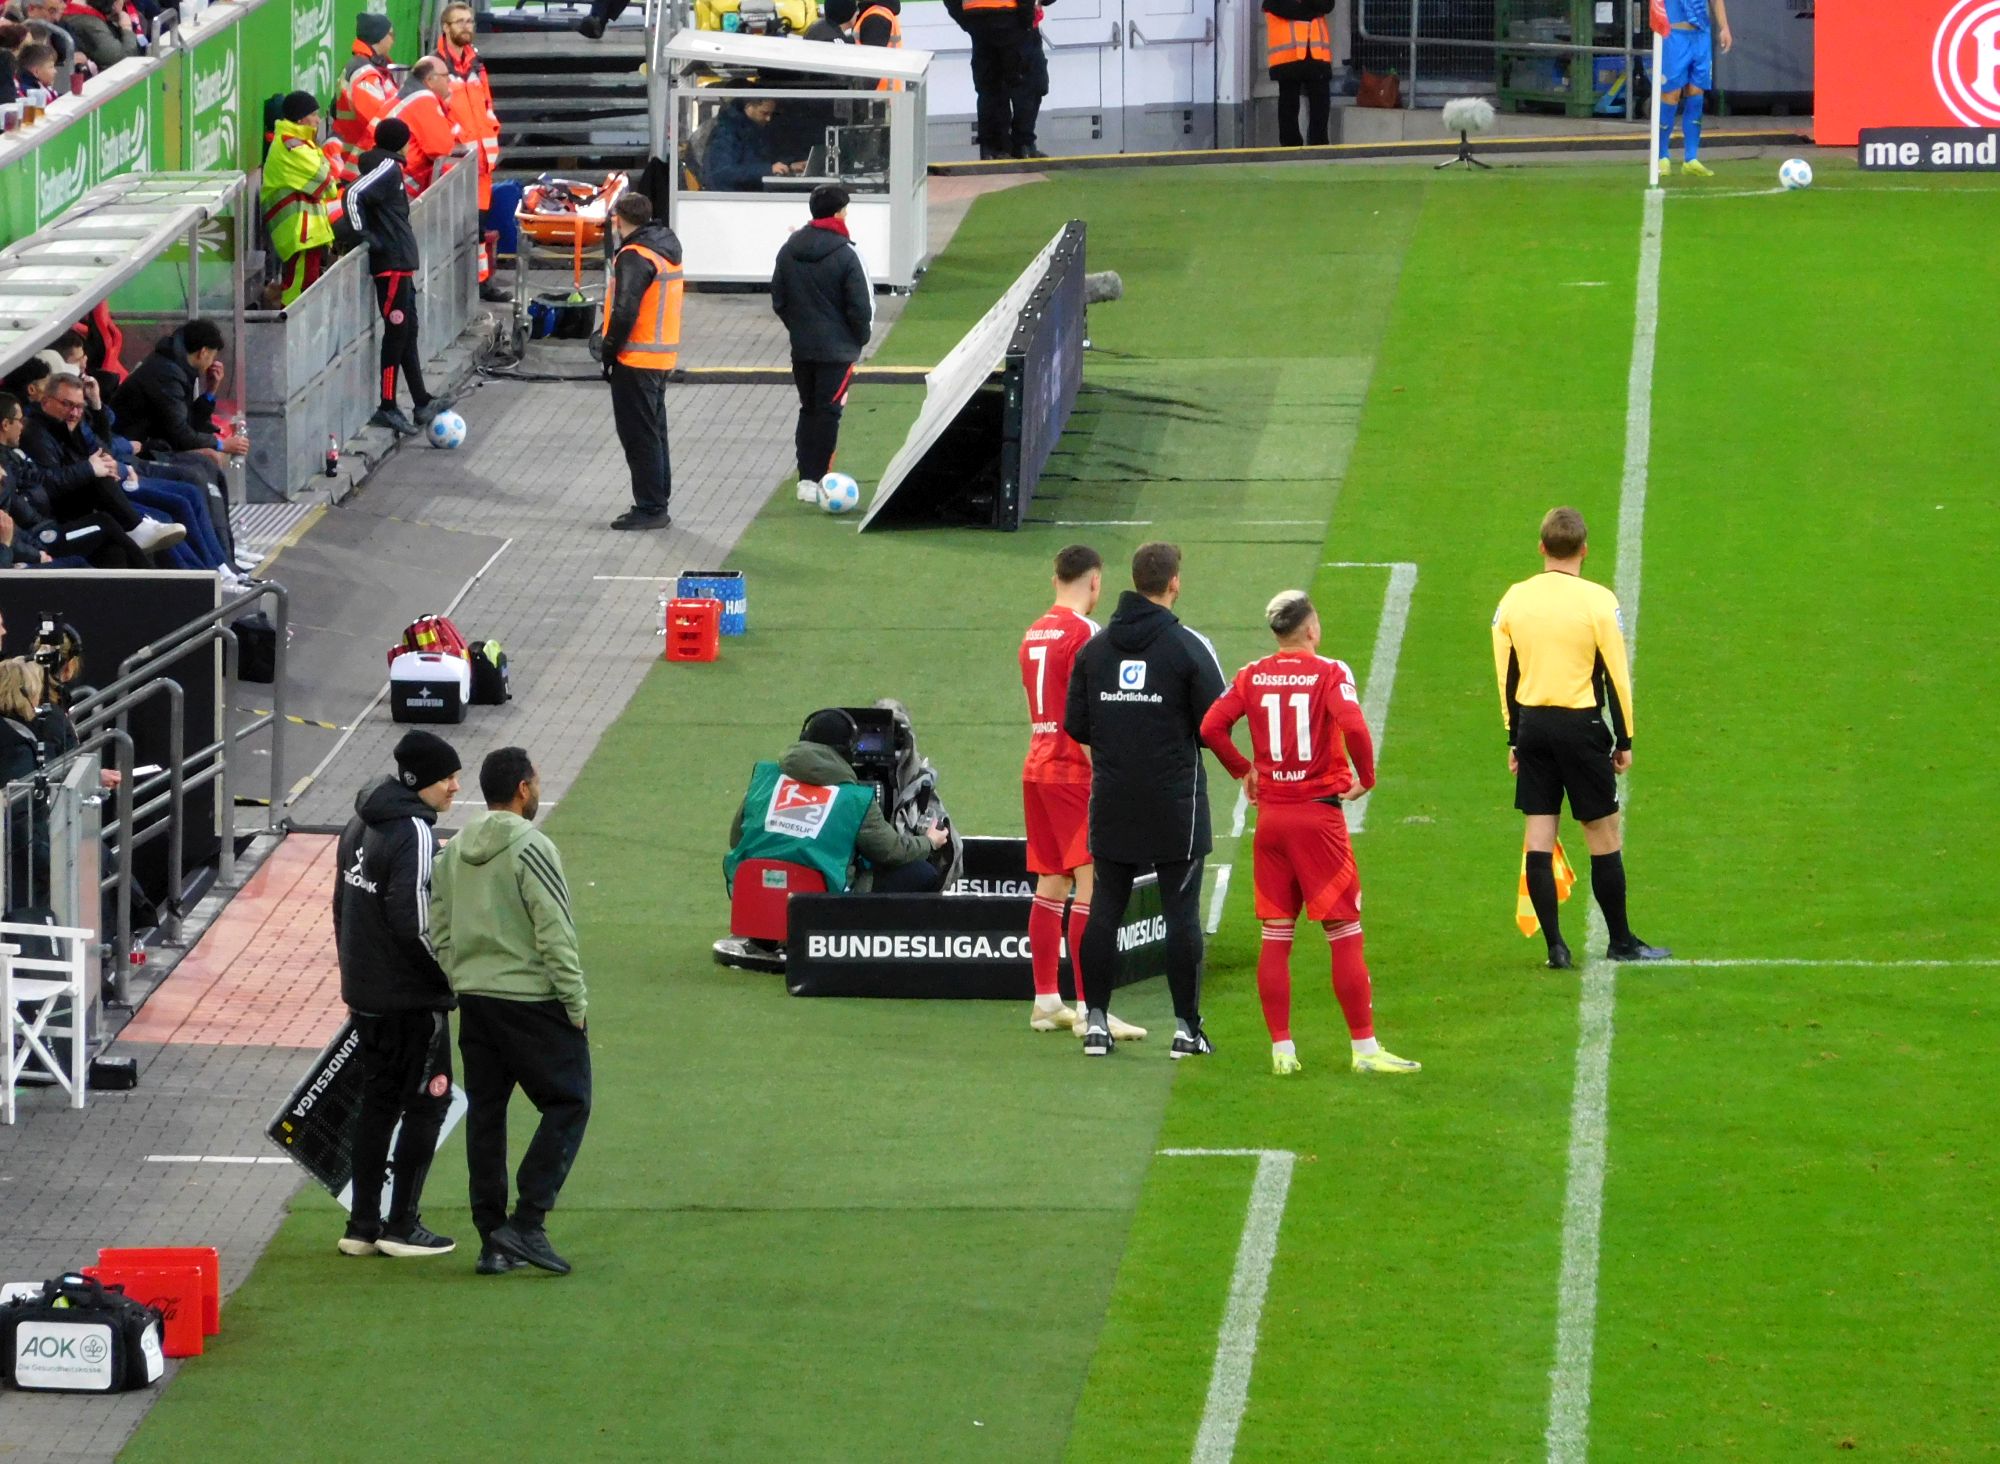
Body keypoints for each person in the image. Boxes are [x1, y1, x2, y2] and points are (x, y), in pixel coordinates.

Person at [1200, 591, 1420, 1076]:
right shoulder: (1330, 672)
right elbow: (1354, 727)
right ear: (1311, 629)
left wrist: (1243, 770)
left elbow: (1211, 727)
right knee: (1344, 932)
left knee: (1276, 936)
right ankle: (1364, 1049)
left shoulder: (1251, 674)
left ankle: (1282, 1050)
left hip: (1272, 821)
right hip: (1318, 820)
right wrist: (1367, 776)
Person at [429, 747, 589, 1277]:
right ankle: (527, 1221)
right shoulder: (532, 846)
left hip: (476, 1002)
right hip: (532, 1002)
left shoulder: (453, 850)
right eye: (536, 781)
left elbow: (438, 927)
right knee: (569, 1102)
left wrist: (462, 977)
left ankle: (492, 1241)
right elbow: (554, 930)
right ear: (523, 788)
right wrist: (574, 1001)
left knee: (487, 1114)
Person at [1063, 542, 1226, 1058]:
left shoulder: (1095, 649)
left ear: (1134, 581)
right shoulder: (1187, 646)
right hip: (1174, 803)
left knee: (1104, 907)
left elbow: (1076, 725)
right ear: (1174, 582)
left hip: (1113, 798)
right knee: (1181, 913)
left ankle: (1095, 1024)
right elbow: (1215, 722)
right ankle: (1186, 1030)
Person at [1491, 506, 1669, 969]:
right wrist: (1624, 739)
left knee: (1538, 835)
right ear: (1584, 550)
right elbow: (1616, 675)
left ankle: (1556, 946)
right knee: (1602, 833)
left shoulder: (1514, 599)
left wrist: (1514, 736)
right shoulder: (1598, 601)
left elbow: (1506, 673)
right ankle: (1621, 941)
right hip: (1580, 726)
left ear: (1542, 547)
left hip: (1533, 726)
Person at [330, 730, 460, 1260]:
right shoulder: (415, 832)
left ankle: (362, 1225)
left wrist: (355, 976)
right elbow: (415, 923)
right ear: (418, 781)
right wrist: (448, 979)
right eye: (448, 777)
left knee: (378, 1103)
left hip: (365, 994)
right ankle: (402, 1225)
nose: (455, 787)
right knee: (429, 1102)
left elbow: (340, 908)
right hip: (410, 999)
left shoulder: (358, 822)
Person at [1016, 545, 1146, 1040]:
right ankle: (1093, 1009)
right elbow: (1095, 715)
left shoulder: (1033, 632)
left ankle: (1046, 1001)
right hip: (1075, 772)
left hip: (1037, 765)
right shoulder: (1088, 634)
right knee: (1094, 888)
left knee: (1052, 884)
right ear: (1095, 582)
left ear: (1055, 579)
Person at [725, 708, 949, 900]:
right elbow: (891, 851)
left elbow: (737, 838)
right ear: (848, 752)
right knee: (922, 872)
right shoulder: (854, 799)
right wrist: (929, 842)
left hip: (753, 899)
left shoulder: (764, 780)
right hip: (817, 909)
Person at [345, 118, 455, 437]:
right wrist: (366, 236)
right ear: (401, 142)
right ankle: (387, 406)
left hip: (401, 262)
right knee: (396, 333)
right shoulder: (388, 168)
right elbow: (352, 195)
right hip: (390, 263)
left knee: (408, 330)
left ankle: (421, 401)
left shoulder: (391, 168)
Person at [770, 184, 872, 507]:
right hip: (838, 351)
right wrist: (858, 338)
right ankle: (820, 480)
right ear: (840, 213)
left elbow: (779, 299)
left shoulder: (788, 250)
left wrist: (799, 329)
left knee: (809, 409)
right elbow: (861, 307)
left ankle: (806, 479)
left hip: (802, 348)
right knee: (828, 413)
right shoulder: (847, 254)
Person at [21, 374, 189, 561]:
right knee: (166, 508)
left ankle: (184, 569)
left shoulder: (74, 424)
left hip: (98, 498)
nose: (74, 412)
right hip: (58, 516)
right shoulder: (34, 434)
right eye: (67, 404)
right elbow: (47, 484)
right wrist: (90, 468)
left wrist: (96, 406)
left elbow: (104, 450)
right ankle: (137, 527)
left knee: (123, 547)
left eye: (79, 406)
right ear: (46, 402)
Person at [597, 193, 681, 532]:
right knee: (654, 433)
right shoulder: (664, 248)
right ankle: (657, 499)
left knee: (639, 437)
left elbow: (625, 310)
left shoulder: (634, 256)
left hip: (635, 359)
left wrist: (608, 350)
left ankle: (650, 507)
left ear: (619, 219)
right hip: (659, 357)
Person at [0, 390, 146, 567]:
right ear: (6, 424)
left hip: (45, 525)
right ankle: (154, 572)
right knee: (103, 523)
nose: (22, 426)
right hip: (41, 538)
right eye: (19, 420)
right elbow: (12, 526)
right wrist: (36, 554)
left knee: (112, 550)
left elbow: (40, 480)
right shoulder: (7, 467)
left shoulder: (13, 455)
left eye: (80, 406)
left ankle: (148, 573)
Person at [432, 1, 509, 303]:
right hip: (456, 165)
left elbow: (488, 108)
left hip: (482, 165)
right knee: (455, 232)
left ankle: (480, 285)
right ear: (445, 27)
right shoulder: (436, 67)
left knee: (478, 229)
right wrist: (458, 142)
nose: (467, 26)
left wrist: (492, 137)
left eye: (469, 21)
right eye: (460, 21)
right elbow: (437, 113)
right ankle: (457, 291)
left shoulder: (476, 64)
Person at [110, 319, 250, 481]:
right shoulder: (167, 374)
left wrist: (210, 392)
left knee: (210, 456)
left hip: (153, 442)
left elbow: (186, 421)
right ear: (203, 352)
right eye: (212, 357)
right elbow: (180, 433)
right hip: (132, 449)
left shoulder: (175, 365)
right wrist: (221, 445)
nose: (212, 363)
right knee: (209, 460)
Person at [260, 92, 339, 305]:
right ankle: (290, 320)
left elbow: (325, 172)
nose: (318, 120)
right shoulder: (291, 145)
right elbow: (327, 181)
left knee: (302, 284)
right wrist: (328, 174)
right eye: (313, 114)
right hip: (298, 229)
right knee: (298, 289)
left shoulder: (301, 142)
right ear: (301, 118)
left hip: (304, 230)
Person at [944, 0, 1048, 159]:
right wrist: (1027, 18)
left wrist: (966, 21)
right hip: (1013, 16)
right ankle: (1023, 144)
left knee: (990, 86)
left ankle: (993, 148)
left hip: (977, 19)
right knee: (1029, 82)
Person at [1658, 0, 1731, 177]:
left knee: (1697, 92)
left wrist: (1724, 27)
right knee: (1671, 94)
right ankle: (1662, 157)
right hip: (1674, 35)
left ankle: (1691, 159)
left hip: (1701, 35)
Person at [332, 13, 398, 179]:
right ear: (379, 37)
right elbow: (379, 121)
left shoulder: (371, 67)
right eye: (391, 34)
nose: (393, 40)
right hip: (364, 163)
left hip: (367, 160)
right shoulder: (365, 73)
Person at [384, 56, 462, 193]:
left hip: (376, 180)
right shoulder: (422, 100)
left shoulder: (405, 98)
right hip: (395, 188)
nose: (449, 80)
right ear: (430, 80)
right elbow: (441, 149)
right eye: (445, 76)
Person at [1262, 0, 1332, 148]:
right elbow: (1282, 7)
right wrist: (1312, 10)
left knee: (1320, 101)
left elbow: (1327, 5)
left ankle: (1319, 145)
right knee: (1289, 102)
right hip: (1289, 55)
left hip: (1315, 52)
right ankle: (1290, 146)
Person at [702, 97, 801, 192]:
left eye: (771, 114)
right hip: (730, 196)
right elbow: (723, 172)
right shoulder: (726, 132)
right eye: (764, 113)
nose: (768, 118)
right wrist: (767, 170)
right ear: (749, 107)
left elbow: (762, 159)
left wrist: (788, 166)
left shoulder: (755, 128)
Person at [58, 0, 136, 71]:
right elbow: (123, 60)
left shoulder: (86, 13)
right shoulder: (89, 24)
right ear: (114, 4)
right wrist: (126, 27)